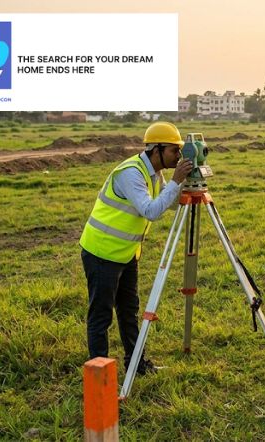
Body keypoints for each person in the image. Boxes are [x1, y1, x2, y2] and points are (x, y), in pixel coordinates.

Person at [80, 121, 193, 374]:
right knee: (101, 316)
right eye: (175, 150)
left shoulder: (154, 173)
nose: (178, 156)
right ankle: (100, 375)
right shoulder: (131, 173)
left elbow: (169, 204)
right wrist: (176, 181)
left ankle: (137, 365)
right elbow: (151, 211)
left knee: (129, 312)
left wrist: (188, 183)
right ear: (157, 149)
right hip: (101, 252)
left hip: (126, 253)